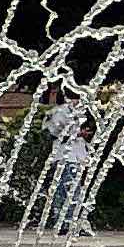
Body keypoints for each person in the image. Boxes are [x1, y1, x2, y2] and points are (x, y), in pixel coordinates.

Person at [44, 97, 99, 238]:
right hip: (65, 157)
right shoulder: (60, 112)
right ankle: (66, 223)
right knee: (67, 191)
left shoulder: (78, 111)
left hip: (76, 157)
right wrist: (76, 134)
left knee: (73, 191)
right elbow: (53, 133)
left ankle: (69, 223)